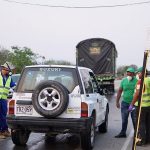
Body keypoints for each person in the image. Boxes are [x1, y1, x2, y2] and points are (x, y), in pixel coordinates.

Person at [128, 67, 150, 146]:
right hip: (148, 106)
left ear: (142, 73)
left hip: (141, 106)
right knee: (148, 123)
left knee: (141, 124)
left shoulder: (140, 82)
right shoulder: (149, 80)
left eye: (138, 73)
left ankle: (142, 141)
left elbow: (137, 94)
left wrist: (131, 104)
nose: (138, 75)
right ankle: (147, 139)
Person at [115, 67, 137, 138]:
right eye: (128, 73)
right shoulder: (124, 81)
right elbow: (120, 91)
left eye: (130, 73)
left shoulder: (137, 81)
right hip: (124, 103)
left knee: (134, 119)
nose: (129, 75)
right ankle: (123, 133)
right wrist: (117, 101)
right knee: (124, 119)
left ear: (133, 74)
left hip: (134, 104)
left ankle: (136, 134)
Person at [0, 62, 16, 139]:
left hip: (3, 99)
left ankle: (4, 130)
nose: (9, 71)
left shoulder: (9, 77)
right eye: (9, 70)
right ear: (5, 68)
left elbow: (13, 86)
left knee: (3, 115)